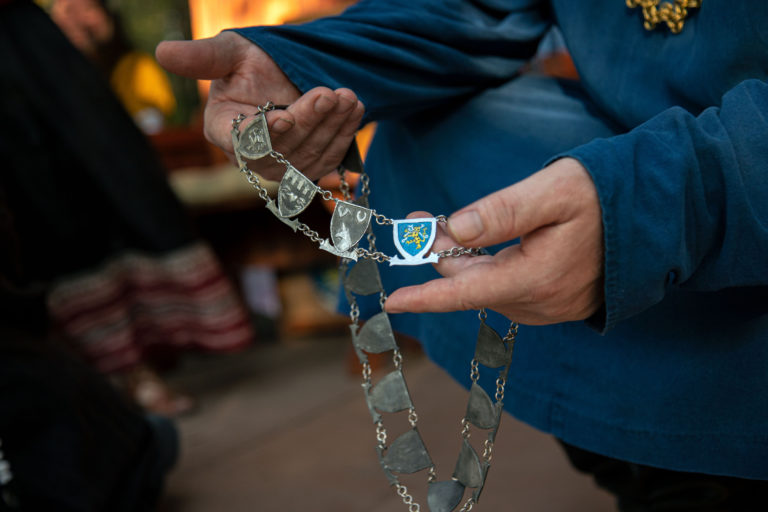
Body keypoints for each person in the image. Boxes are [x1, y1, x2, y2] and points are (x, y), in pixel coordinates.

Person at [156, 0, 768, 508]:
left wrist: (646, 205)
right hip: (625, 152)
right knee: (431, 129)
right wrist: (299, 62)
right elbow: (478, 7)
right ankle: (640, 455)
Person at [1, 0, 254, 417]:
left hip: (32, 52)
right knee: (35, 213)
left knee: (107, 174)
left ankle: (136, 370)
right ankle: (91, 386)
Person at [50, 0, 177, 134]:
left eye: (88, 8)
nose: (78, 18)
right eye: (68, 11)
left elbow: (152, 125)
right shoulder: (52, 79)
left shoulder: (136, 67)